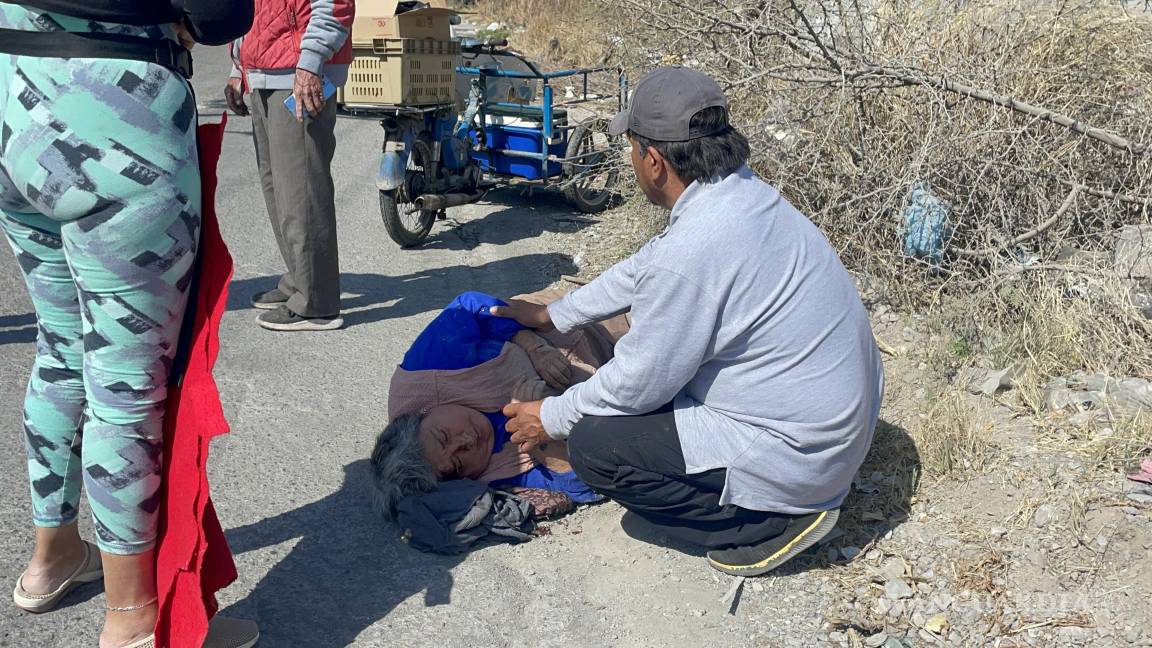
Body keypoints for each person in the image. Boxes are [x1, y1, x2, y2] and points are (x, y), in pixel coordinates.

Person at [496, 67, 885, 577]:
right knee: (632, 399)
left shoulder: (694, 250)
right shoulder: (742, 196)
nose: (632, 159)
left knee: (595, 446)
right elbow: (646, 267)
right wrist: (554, 313)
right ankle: (782, 494)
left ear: (653, 161)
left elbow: (636, 385)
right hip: (834, 430)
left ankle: (768, 522)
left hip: (801, 458)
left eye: (632, 148)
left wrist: (547, 416)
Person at [0, 2, 259, 647]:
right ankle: (134, 616)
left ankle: (53, 556)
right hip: (116, 107)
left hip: (13, 98)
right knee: (125, 379)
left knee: (59, 344)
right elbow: (219, 11)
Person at [372, 291, 628, 517]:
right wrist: (538, 434)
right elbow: (585, 485)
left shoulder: (426, 373)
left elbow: (471, 307)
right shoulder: (498, 471)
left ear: (423, 413)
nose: (466, 443)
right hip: (619, 376)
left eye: (444, 437)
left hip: (569, 319)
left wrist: (534, 347)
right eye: (459, 464)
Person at [225, 0, 354, 332]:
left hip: (298, 70)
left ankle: (316, 303)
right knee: (280, 190)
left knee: (301, 191)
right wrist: (239, 68)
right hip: (265, 70)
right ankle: (299, 281)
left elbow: (336, 5)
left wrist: (311, 64)